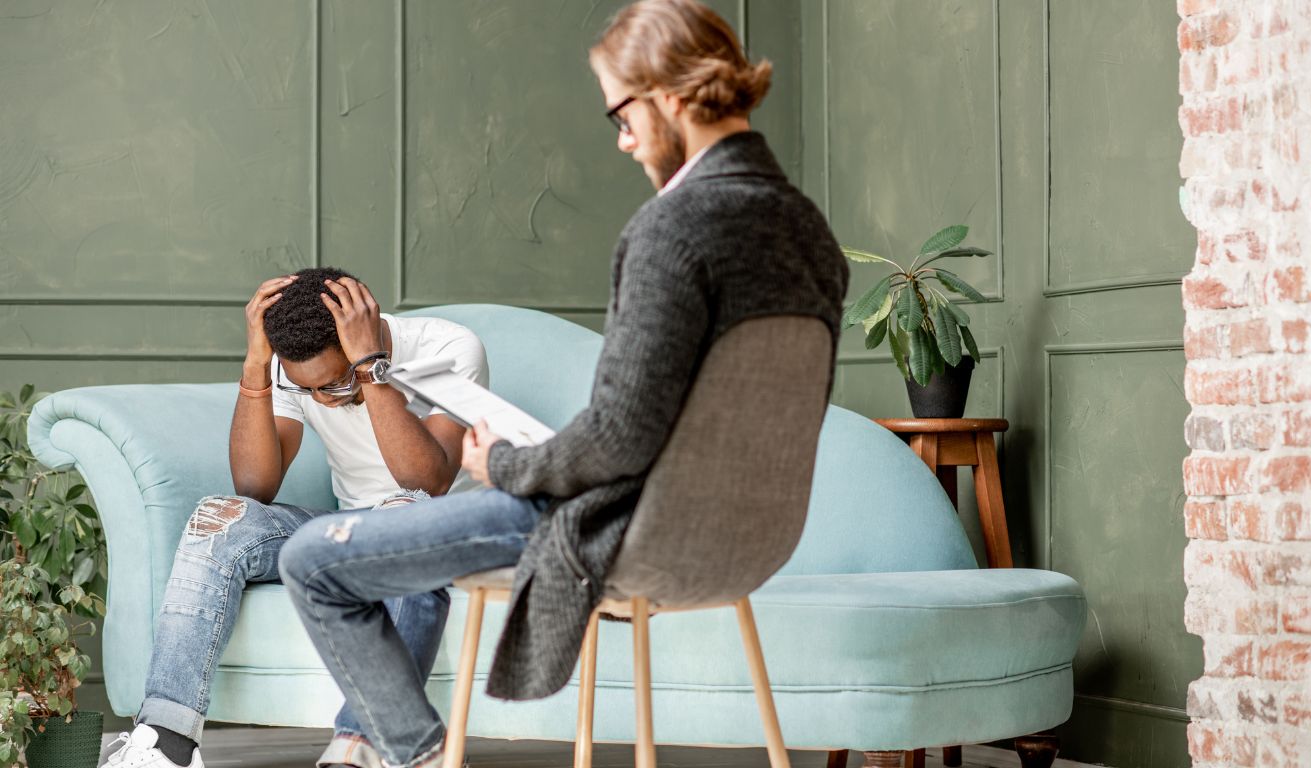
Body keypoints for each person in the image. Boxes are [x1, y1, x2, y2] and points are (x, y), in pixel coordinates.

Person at [278, 1, 849, 766]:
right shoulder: (808, 231)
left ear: (670, 96)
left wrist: (500, 464)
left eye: (621, 112)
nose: (621, 139)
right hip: (749, 542)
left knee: (312, 559)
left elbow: (617, 437)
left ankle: (409, 755)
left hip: (629, 529)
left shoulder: (673, 230)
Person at [100, 267, 488, 768]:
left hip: (440, 526)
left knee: (404, 507)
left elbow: (426, 480)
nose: (325, 397)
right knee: (220, 517)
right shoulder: (292, 371)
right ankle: (166, 743)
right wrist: (257, 370)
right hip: (348, 529)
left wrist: (370, 369)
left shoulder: (449, 347)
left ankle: (365, 742)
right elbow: (256, 487)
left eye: (336, 380)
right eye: (312, 391)